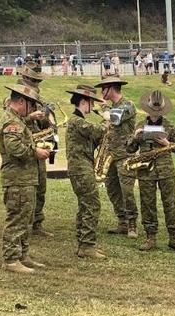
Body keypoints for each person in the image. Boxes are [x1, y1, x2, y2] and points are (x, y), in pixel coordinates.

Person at [0, 83, 50, 274]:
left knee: (26, 218)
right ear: (21, 101)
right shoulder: (11, 122)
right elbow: (14, 148)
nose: (33, 109)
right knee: (17, 219)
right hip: (17, 179)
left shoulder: (19, 120)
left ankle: (22, 255)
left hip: (26, 178)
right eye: (31, 105)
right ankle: (10, 259)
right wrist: (35, 152)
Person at [126, 90, 175, 252]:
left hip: (166, 170)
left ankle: (174, 237)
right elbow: (129, 149)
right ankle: (150, 237)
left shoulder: (170, 126)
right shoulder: (139, 125)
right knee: (147, 204)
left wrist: (167, 143)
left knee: (170, 204)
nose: (155, 113)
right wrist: (135, 137)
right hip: (146, 171)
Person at [65, 85, 108, 259]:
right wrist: (107, 120)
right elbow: (99, 130)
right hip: (81, 168)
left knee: (85, 205)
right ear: (84, 102)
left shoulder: (78, 121)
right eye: (92, 103)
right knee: (92, 204)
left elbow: (93, 138)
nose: (93, 107)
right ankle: (87, 245)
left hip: (81, 167)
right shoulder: (77, 121)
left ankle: (84, 243)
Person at [95, 76, 139, 238]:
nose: (101, 93)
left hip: (125, 155)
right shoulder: (113, 106)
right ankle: (122, 221)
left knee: (126, 191)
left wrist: (104, 107)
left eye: (103, 89)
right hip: (110, 155)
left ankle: (132, 224)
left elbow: (114, 118)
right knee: (112, 188)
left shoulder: (128, 105)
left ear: (111, 88)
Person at [17, 62, 54, 237]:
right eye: (33, 80)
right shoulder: (15, 96)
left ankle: (37, 223)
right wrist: (29, 116)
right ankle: (23, 224)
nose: (36, 84)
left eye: (38, 81)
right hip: (22, 146)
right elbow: (10, 119)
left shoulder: (39, 99)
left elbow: (47, 124)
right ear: (24, 78)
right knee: (24, 190)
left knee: (41, 186)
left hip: (39, 145)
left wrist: (46, 117)